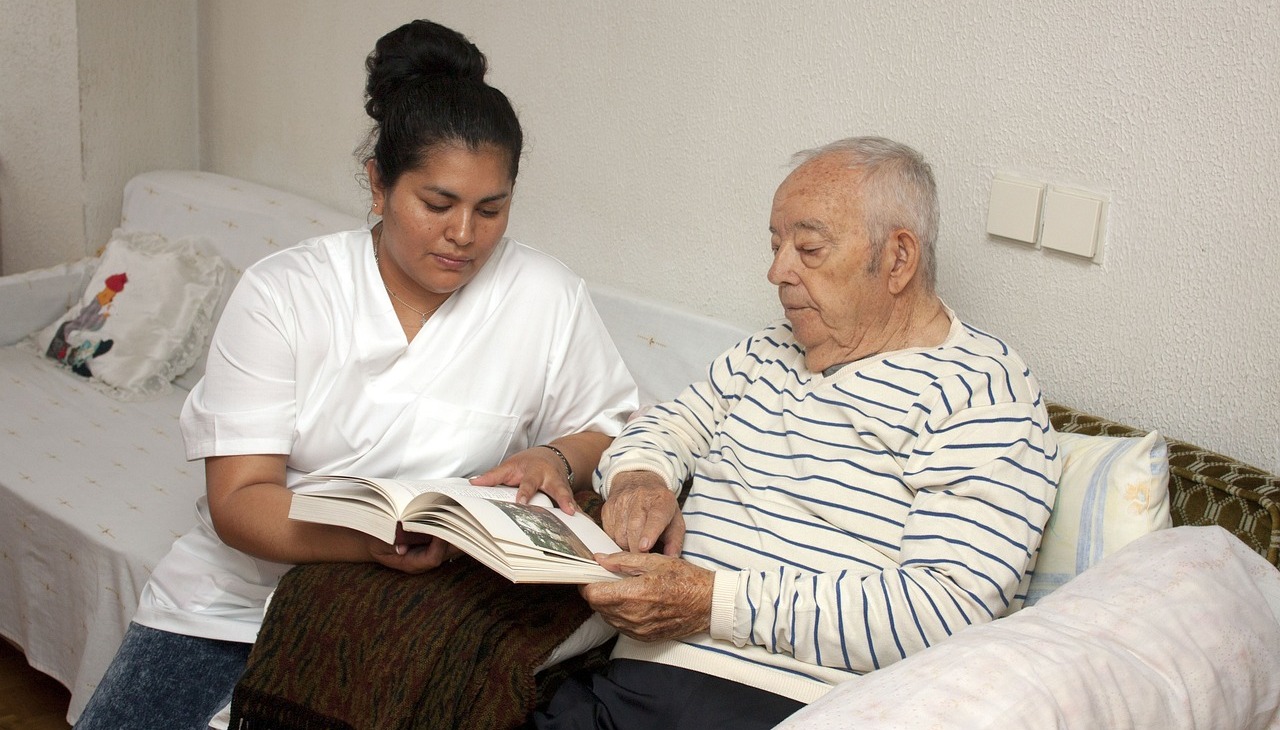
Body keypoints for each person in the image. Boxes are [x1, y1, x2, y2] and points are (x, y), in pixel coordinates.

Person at [74, 19, 637, 730]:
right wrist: (367, 541)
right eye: (437, 205)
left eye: (491, 209)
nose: (464, 235)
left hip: (404, 611)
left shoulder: (543, 294)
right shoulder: (286, 293)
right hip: (234, 603)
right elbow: (240, 499)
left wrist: (553, 455)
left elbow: (608, 423)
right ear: (378, 184)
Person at [534, 136, 1061, 729]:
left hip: (799, 707)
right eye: (777, 244)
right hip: (631, 684)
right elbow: (667, 424)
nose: (777, 271)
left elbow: (944, 610)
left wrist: (712, 603)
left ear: (897, 259)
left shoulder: (981, 392)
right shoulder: (764, 352)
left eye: (807, 248)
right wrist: (637, 478)